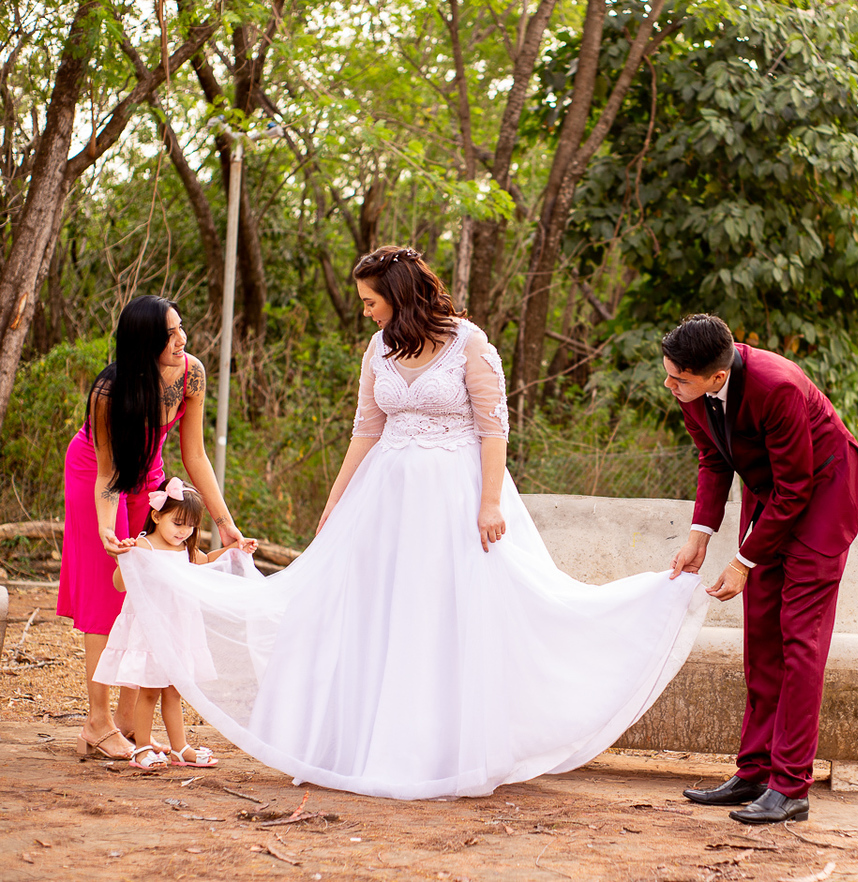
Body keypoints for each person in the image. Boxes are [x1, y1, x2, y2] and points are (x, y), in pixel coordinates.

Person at [109, 246, 708, 800]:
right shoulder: (379, 350)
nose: (366, 311)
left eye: (371, 300)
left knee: (446, 614)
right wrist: (335, 502)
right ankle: (361, 745)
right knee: (375, 614)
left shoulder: (471, 344)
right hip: (385, 498)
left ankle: (441, 749)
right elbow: (365, 429)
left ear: (399, 294)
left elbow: (494, 426)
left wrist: (491, 502)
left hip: (457, 493)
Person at [663, 314, 858, 825]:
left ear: (717, 375)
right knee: (761, 634)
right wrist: (699, 537)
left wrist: (742, 560)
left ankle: (790, 786)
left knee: (800, 638)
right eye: (667, 373)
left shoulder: (778, 385)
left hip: (823, 490)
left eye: (678, 379)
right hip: (774, 493)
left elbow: (797, 486)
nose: (669, 385)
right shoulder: (693, 392)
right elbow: (714, 461)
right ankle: (754, 771)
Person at [59, 295, 247, 761]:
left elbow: (196, 455)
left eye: (181, 327)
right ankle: (97, 723)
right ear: (144, 342)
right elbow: (107, 473)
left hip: (150, 474)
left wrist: (224, 524)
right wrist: (109, 530)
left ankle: (128, 723)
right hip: (95, 473)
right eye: (169, 333)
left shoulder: (192, 373)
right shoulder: (109, 391)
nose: (182, 339)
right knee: (109, 588)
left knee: (149, 589)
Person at [95, 477, 259, 770]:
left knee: (174, 689)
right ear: (157, 516)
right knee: (149, 690)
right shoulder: (143, 546)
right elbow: (119, 585)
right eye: (178, 523)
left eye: (190, 526)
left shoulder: (185, 550)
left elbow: (207, 560)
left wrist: (236, 549)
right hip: (152, 631)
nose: (184, 531)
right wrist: (126, 557)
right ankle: (142, 747)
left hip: (179, 630)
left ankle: (180, 747)